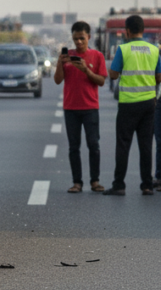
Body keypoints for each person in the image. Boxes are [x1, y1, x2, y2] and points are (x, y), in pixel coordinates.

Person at [106, 15, 161, 195]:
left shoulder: (123, 49)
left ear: (127, 31)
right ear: (143, 30)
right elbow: (159, 77)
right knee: (146, 145)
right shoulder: (154, 50)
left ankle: (119, 185)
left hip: (128, 103)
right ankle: (146, 185)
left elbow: (113, 75)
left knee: (123, 144)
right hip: (148, 104)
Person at [54, 21, 107, 193]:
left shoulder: (97, 56)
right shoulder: (67, 56)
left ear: (89, 37)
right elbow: (57, 80)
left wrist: (86, 70)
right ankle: (77, 182)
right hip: (71, 108)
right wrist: (60, 64)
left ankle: (95, 181)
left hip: (90, 107)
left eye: (82, 39)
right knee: (73, 146)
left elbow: (101, 81)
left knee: (93, 144)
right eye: (75, 39)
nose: (78, 42)